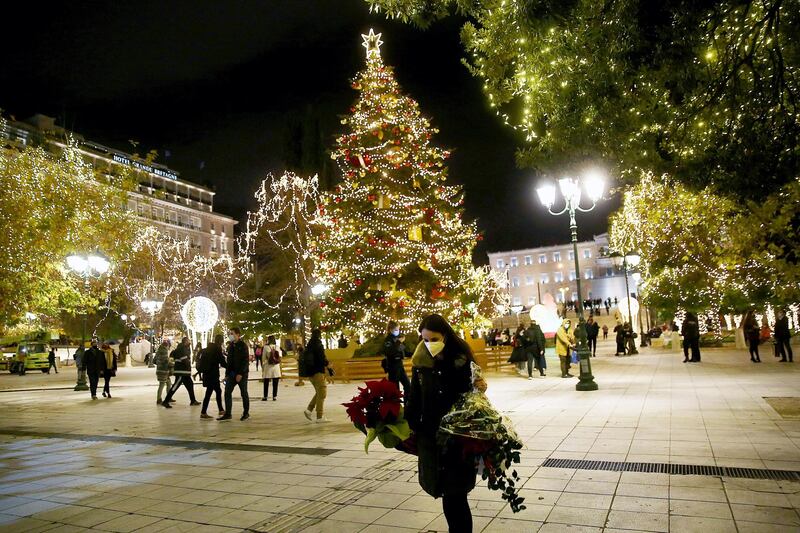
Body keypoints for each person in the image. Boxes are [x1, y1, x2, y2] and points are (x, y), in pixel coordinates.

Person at [406, 313, 486, 533]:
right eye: (425, 340)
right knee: (446, 493)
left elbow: (473, 396)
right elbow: (414, 396)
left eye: (434, 339)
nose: (430, 344)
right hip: (431, 437)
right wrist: (407, 426)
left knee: (456, 495)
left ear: (445, 336)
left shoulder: (460, 360)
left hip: (456, 437)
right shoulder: (420, 363)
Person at [220, 327, 250, 421]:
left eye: (232, 333)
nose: (230, 335)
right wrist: (226, 375)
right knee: (227, 392)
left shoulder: (243, 346)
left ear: (238, 335)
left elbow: (245, 361)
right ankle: (228, 413)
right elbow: (229, 362)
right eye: (230, 334)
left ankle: (246, 413)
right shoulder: (231, 346)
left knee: (244, 393)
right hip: (232, 374)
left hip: (242, 374)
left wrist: (240, 373)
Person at [162, 337, 200, 408]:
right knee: (175, 386)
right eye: (188, 341)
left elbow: (172, 357)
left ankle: (193, 400)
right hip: (181, 372)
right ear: (185, 342)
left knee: (190, 385)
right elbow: (184, 360)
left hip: (184, 372)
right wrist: (189, 367)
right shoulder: (182, 349)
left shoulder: (180, 349)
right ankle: (166, 401)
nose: (189, 342)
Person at [303, 329, 331, 423]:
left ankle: (309, 410)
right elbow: (321, 357)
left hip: (310, 372)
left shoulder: (309, 345)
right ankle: (319, 416)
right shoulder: (318, 344)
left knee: (319, 392)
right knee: (322, 392)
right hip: (318, 371)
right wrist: (327, 365)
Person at [199, 335, 226, 419]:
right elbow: (222, 361)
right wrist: (230, 367)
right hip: (213, 374)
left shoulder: (208, 348)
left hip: (207, 374)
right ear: (221, 341)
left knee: (213, 391)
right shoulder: (217, 349)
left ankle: (218, 410)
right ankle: (204, 412)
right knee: (214, 392)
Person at [383, 321, 411, 397]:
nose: (398, 331)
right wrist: (398, 342)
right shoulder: (388, 340)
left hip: (400, 365)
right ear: (390, 330)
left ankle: (407, 403)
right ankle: (397, 406)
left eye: (398, 329)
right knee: (395, 389)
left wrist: (413, 354)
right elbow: (389, 352)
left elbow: (404, 351)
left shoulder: (396, 339)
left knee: (408, 385)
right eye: (396, 330)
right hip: (392, 366)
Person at [261, 335, 282, 401]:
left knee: (266, 382)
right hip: (276, 367)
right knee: (275, 382)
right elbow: (280, 356)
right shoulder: (277, 347)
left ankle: (265, 396)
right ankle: (274, 396)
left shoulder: (265, 347)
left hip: (268, 366)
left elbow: (263, 358)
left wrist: (263, 367)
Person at [154, 340, 172, 405]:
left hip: (159, 370)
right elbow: (166, 361)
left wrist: (159, 364)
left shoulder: (158, 351)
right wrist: (171, 363)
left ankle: (168, 397)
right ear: (166, 346)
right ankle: (159, 399)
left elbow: (154, 361)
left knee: (169, 383)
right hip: (163, 371)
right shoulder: (164, 351)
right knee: (162, 385)